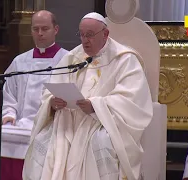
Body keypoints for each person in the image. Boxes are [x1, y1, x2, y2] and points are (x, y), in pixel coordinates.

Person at [23, 12, 153, 180]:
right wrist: (53, 103)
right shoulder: (73, 57)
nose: (85, 40)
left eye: (90, 35)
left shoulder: (125, 59)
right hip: (68, 120)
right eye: (82, 35)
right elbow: (51, 89)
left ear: (105, 34)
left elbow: (132, 100)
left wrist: (95, 106)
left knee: (100, 144)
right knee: (42, 142)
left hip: (102, 123)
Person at [0, 10, 69, 180]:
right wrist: (8, 115)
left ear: (56, 29)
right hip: (20, 122)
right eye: (35, 29)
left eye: (45, 29)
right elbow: (7, 93)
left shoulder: (67, 60)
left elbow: (70, 97)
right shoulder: (20, 61)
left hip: (51, 125)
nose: (39, 34)